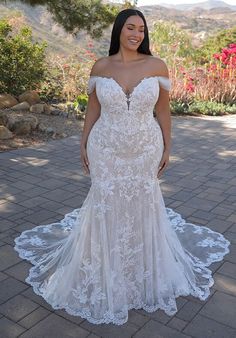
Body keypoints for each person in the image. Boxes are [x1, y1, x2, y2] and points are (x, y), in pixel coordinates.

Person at [14, 8, 230, 326]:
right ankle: (102, 270)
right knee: (106, 202)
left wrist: (169, 146)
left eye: (141, 30)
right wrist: (83, 141)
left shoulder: (157, 65)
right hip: (106, 147)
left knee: (141, 203)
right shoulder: (101, 66)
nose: (136, 34)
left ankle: (138, 273)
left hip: (145, 147)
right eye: (130, 27)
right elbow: (93, 108)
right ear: (119, 30)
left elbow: (164, 112)